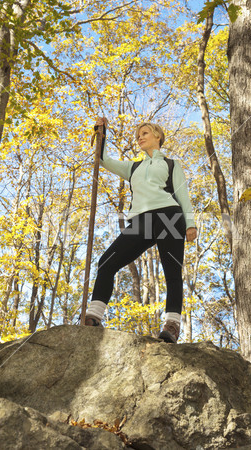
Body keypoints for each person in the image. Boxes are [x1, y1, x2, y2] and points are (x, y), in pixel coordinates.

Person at [85, 117, 197, 343]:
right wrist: (101, 132)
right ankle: (94, 316)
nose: (140, 137)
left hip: (170, 216)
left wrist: (191, 223)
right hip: (141, 221)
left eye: (145, 133)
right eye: (138, 135)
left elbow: (182, 194)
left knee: (172, 273)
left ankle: (172, 325)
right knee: (106, 262)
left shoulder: (171, 164)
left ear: (158, 136)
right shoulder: (133, 167)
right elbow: (103, 158)